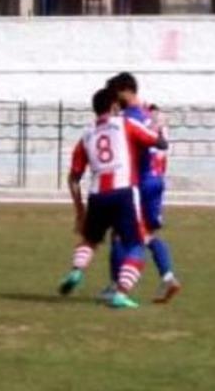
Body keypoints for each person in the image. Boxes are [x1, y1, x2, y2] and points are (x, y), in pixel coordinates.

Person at [58, 87, 168, 309]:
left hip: (97, 194)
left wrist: (80, 211)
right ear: (115, 106)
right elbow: (159, 143)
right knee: (136, 244)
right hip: (124, 191)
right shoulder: (125, 124)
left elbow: (73, 178)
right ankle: (121, 292)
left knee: (90, 239)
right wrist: (158, 123)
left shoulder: (86, 135)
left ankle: (76, 271)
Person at [106, 73, 181, 304]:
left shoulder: (129, 119)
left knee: (119, 235)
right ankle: (168, 277)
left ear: (125, 91)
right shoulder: (150, 115)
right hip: (156, 180)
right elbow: (162, 145)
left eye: (114, 94)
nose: (113, 100)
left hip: (138, 182)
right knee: (148, 234)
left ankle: (116, 288)